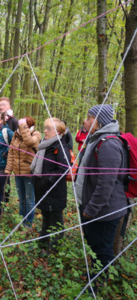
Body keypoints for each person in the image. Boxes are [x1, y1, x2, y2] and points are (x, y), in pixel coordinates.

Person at [74, 104, 128, 278]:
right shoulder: (95, 139)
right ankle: (96, 276)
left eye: (89, 118)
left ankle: (100, 284)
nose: (86, 120)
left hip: (104, 211)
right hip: (91, 206)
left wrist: (91, 209)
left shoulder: (109, 144)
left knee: (102, 249)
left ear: (98, 122)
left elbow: (106, 183)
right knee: (93, 245)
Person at [31, 118, 70, 250]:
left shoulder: (61, 147)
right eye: (45, 127)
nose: (45, 131)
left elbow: (64, 170)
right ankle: (42, 243)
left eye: (48, 128)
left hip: (54, 192)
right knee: (46, 218)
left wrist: (48, 179)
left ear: (58, 131)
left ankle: (55, 248)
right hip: (43, 190)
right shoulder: (45, 144)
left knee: (56, 222)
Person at [5, 117, 41, 228]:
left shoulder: (36, 134)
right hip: (18, 173)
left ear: (28, 125)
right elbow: (11, 153)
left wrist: (24, 127)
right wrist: (8, 170)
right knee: (21, 199)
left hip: (29, 173)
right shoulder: (16, 136)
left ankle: (28, 224)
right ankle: (21, 221)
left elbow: (29, 142)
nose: (19, 126)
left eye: (23, 124)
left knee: (29, 199)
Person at [0, 97, 18, 203]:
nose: (1, 107)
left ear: (8, 107)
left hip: (8, 155)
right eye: (0, 105)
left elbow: (16, 139)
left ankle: (5, 200)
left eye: (3, 105)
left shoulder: (13, 121)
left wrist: (7, 151)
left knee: (6, 178)